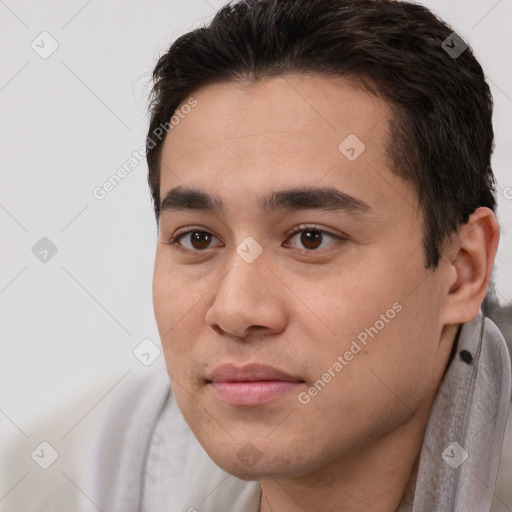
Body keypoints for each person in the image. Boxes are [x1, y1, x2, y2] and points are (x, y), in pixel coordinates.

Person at [3, 0, 511, 511]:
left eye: (311, 238)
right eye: (198, 239)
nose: (236, 311)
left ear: (461, 272)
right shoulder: (76, 478)